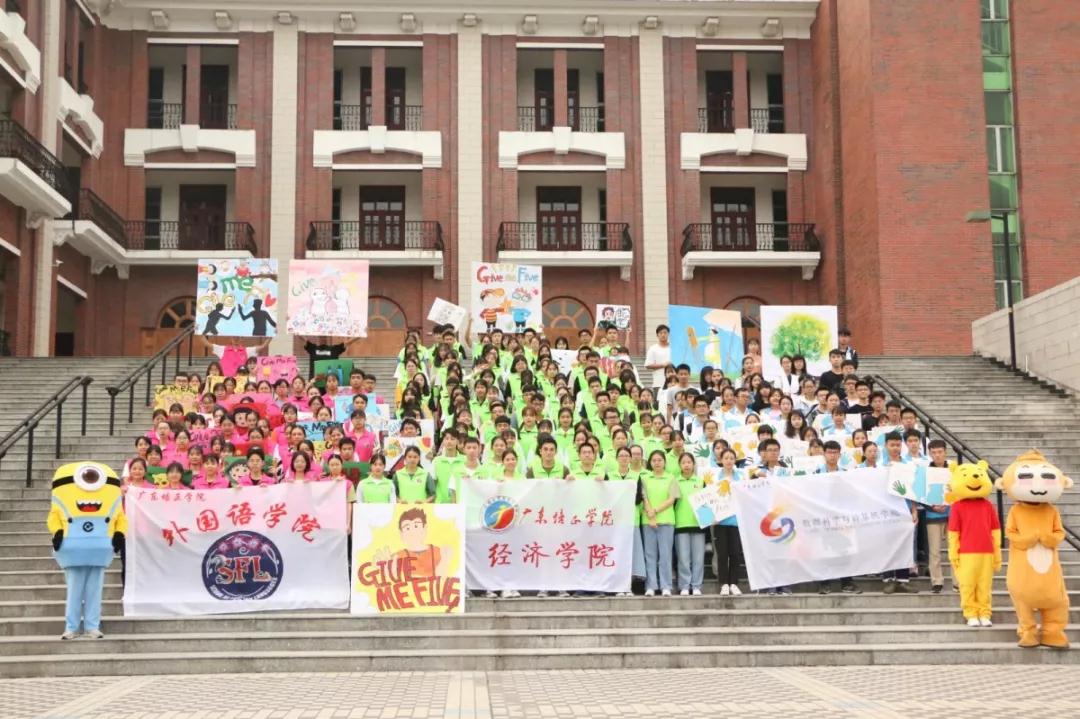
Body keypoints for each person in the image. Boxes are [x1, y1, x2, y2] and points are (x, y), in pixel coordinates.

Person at [641, 450, 679, 597]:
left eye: (660, 460)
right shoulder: (645, 478)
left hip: (666, 521)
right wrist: (650, 515)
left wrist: (655, 511)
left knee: (665, 555)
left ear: (664, 462)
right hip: (648, 521)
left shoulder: (671, 478)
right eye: (654, 460)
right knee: (650, 555)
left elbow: (671, 499)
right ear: (650, 463)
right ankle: (651, 585)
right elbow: (644, 498)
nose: (657, 463)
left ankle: (666, 586)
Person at [710, 449, 744, 595]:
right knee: (722, 554)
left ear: (735, 460)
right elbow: (709, 498)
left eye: (731, 458)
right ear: (721, 460)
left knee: (735, 553)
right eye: (726, 458)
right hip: (720, 522)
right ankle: (724, 583)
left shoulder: (741, 477)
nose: (729, 460)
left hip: (736, 521)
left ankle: (734, 583)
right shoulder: (715, 478)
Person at [672, 452, 705, 596]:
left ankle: (696, 585)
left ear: (693, 464)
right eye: (683, 462)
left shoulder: (701, 481)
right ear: (679, 465)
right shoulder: (674, 482)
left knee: (698, 558)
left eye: (689, 462)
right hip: (680, 524)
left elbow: (706, 504)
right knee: (683, 559)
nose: (686, 465)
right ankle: (684, 585)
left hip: (698, 524)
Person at [925, 439, 952, 593]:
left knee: (954, 550)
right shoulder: (926, 471)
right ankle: (937, 581)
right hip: (932, 515)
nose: (937, 455)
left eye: (940, 452)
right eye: (934, 452)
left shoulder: (953, 470)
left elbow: (960, 490)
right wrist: (932, 507)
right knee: (934, 551)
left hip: (952, 516)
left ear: (945, 452)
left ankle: (958, 581)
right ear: (930, 454)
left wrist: (948, 504)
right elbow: (920, 493)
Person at [645, 324, 671, 390]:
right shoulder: (653, 348)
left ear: (668, 334)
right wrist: (663, 365)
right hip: (658, 383)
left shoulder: (673, 348)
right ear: (657, 335)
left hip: (673, 383)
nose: (663, 335)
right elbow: (648, 365)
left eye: (665, 333)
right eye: (660, 333)